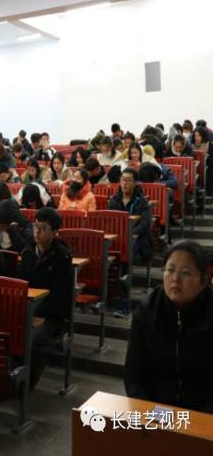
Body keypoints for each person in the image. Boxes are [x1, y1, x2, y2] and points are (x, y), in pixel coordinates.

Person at [124, 241, 213, 413]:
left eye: (185, 273)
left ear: (203, 281)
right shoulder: (147, 311)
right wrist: (151, 412)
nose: (175, 279)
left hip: (204, 413)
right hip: (157, 409)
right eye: (170, 270)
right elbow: (134, 373)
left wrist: (200, 420)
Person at [13, 207, 73, 389]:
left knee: (30, 337)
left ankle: (27, 382)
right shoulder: (27, 252)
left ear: (54, 232)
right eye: (36, 226)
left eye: (44, 228)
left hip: (52, 316)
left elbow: (60, 297)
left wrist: (36, 313)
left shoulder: (62, 258)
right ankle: (12, 378)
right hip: (28, 310)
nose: (37, 231)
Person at [109, 168, 153, 317]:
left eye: (128, 180)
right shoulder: (114, 200)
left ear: (135, 183)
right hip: (118, 239)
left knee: (125, 258)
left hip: (137, 240)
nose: (125, 183)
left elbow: (145, 223)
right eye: (123, 180)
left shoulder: (141, 201)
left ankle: (123, 305)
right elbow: (110, 221)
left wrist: (131, 233)